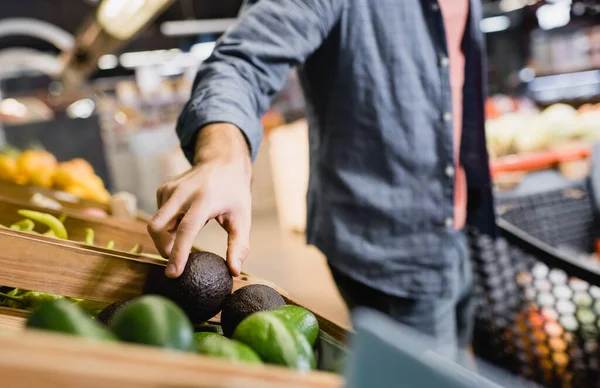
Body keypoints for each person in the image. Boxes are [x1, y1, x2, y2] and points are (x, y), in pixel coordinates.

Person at [147, 0, 496, 359]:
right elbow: (241, 63)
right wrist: (223, 157)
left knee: (456, 359)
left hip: (460, 221)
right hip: (389, 245)